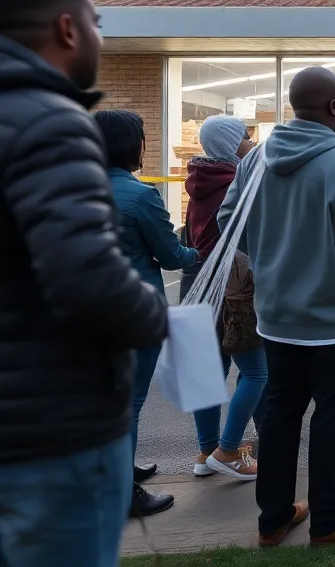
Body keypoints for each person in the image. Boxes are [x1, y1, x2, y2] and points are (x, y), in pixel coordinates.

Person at [0, 0, 168, 567]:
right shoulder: (48, 121)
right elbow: (90, 285)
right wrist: (155, 312)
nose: (101, 37)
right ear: (67, 30)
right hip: (48, 435)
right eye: (97, 24)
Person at [219, 66, 335, 547]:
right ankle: (331, 519)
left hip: (277, 318)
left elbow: (227, 219)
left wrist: (273, 261)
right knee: (333, 419)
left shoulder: (256, 159)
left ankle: (273, 518)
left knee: (278, 416)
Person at [95, 109, 200, 516]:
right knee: (129, 404)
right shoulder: (140, 195)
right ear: (131, 146)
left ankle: (118, 471)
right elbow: (171, 256)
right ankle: (124, 493)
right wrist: (199, 250)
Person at [183, 115, 266, 482]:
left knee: (209, 372)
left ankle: (205, 451)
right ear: (234, 144)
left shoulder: (197, 182)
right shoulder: (240, 183)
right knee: (256, 371)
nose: (250, 143)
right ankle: (229, 449)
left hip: (197, 286)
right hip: (234, 289)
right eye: (246, 137)